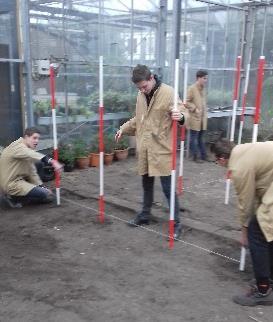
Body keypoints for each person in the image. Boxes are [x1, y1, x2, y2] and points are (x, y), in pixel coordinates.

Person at [115, 64, 188, 240]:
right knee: (146, 185)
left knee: (168, 189)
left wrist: (181, 117)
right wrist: (123, 129)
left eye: (144, 86)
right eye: (139, 88)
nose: (142, 90)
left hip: (162, 150)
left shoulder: (168, 93)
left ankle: (177, 223)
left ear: (151, 78)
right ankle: (145, 215)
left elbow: (183, 111)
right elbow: (138, 119)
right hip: (145, 148)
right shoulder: (140, 95)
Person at [212, 139, 273, 306]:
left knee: (256, 231)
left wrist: (244, 232)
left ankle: (263, 290)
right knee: (267, 229)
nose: (218, 164)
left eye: (216, 161)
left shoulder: (238, 168)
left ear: (222, 158)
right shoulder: (244, 150)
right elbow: (254, 197)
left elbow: (245, 203)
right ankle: (270, 279)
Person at [0, 127, 62, 208]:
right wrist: (52, 161)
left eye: (38, 138)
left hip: (16, 178)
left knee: (39, 165)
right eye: (34, 138)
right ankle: (13, 199)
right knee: (44, 195)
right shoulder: (18, 147)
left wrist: (41, 186)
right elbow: (31, 154)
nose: (37, 141)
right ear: (26, 137)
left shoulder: (25, 149)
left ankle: (25, 193)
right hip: (11, 183)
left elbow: (32, 171)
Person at [186, 69, 208, 162]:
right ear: (198, 78)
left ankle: (204, 156)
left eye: (206, 78)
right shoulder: (192, 88)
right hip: (195, 117)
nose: (206, 80)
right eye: (204, 78)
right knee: (193, 138)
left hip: (202, 118)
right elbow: (186, 102)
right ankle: (195, 156)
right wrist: (195, 109)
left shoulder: (203, 89)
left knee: (200, 137)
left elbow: (202, 102)